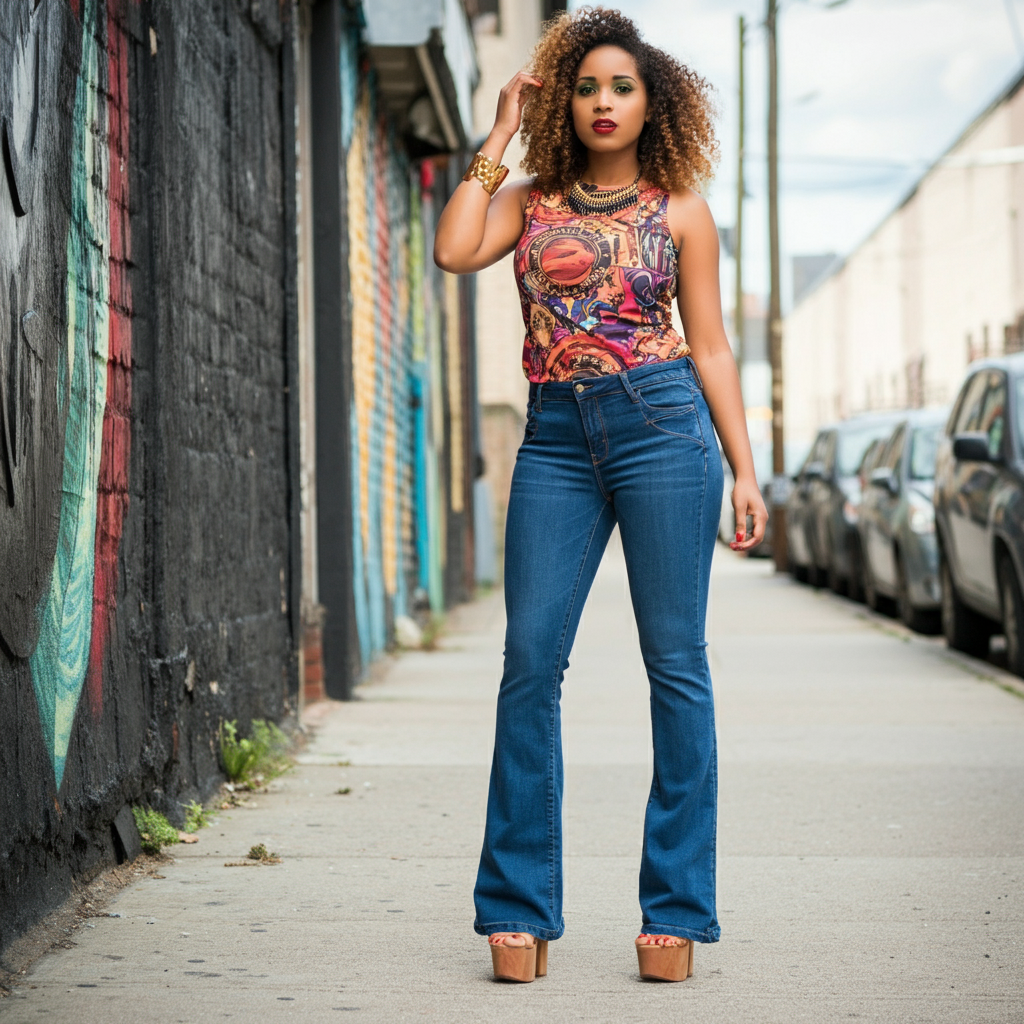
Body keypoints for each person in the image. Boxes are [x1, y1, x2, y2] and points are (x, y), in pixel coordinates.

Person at [434, 6, 767, 984]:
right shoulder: (530, 202)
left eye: (621, 86)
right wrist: (497, 136)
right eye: (586, 87)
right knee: (529, 663)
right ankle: (517, 908)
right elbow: (456, 247)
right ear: (564, 104)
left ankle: (673, 912)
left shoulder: (682, 213)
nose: (603, 102)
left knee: (676, 667)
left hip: (664, 430)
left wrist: (746, 469)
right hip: (554, 441)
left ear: (650, 101)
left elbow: (710, 345)